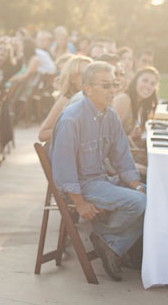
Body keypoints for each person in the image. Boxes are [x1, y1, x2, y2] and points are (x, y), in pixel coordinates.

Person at [51, 61, 146, 281]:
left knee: (151, 196)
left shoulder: (110, 116)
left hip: (103, 181)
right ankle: (109, 240)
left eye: (113, 85)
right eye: (105, 86)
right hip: (81, 185)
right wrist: (80, 202)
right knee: (139, 203)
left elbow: (122, 158)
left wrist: (137, 185)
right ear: (87, 88)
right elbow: (64, 169)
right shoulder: (71, 118)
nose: (112, 90)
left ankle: (111, 243)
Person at [37, 55, 92, 142]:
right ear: (72, 78)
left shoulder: (96, 97)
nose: (90, 77)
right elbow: (42, 134)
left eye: (92, 72)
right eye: (84, 73)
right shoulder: (66, 99)